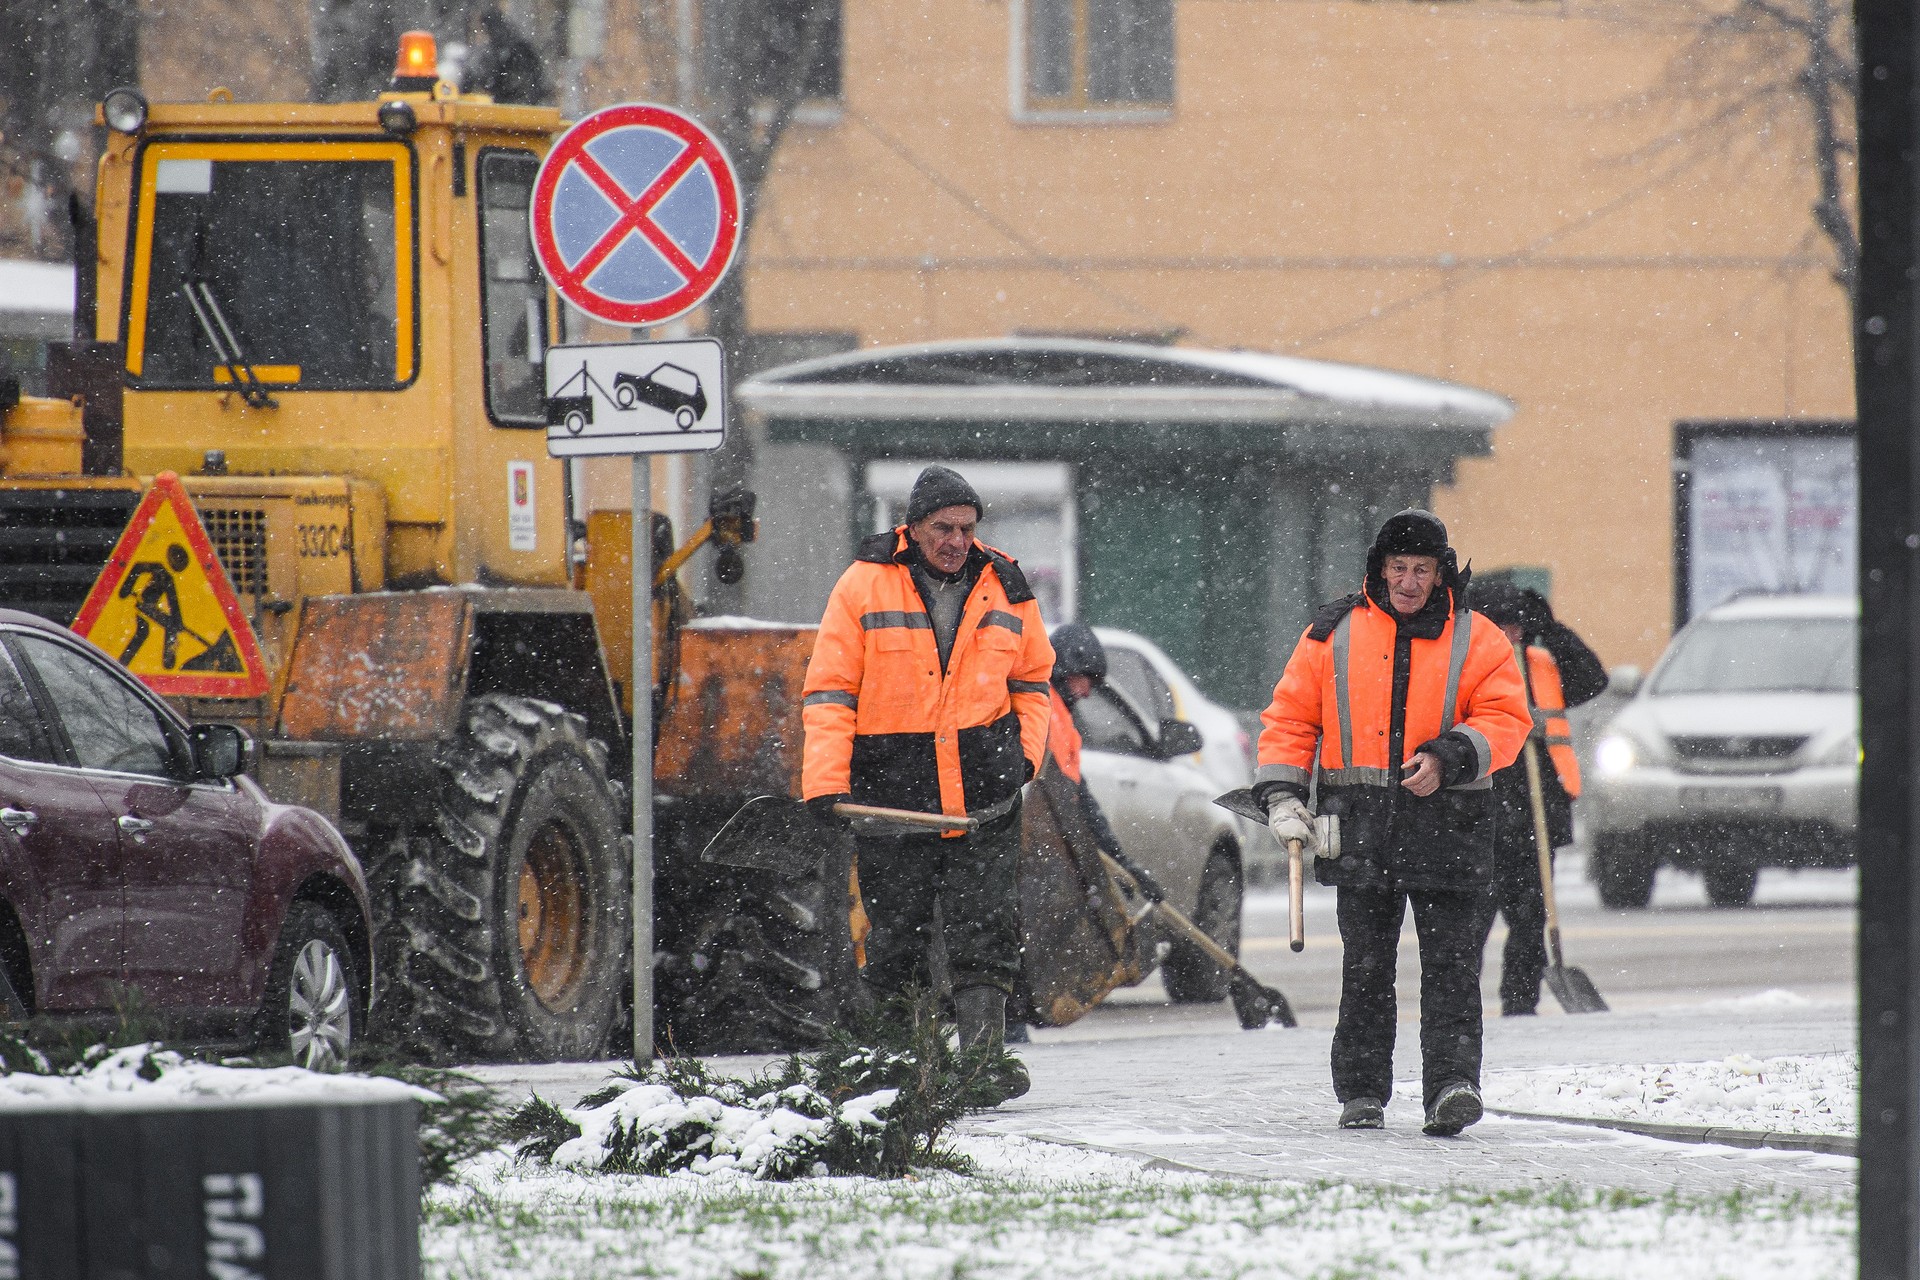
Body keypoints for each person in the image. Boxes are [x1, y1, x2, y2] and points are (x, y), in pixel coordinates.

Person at [1252, 509, 1531, 1136]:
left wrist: (1449, 757)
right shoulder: (1331, 633)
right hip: (1361, 830)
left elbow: (1507, 719)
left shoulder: (1478, 637)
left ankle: (1452, 1087)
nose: (1408, 582)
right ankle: (1361, 1093)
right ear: (1380, 569)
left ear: (1441, 574)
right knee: (1366, 969)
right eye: (1398, 568)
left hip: (1450, 826)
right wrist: (1282, 794)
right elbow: (1292, 718)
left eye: (1421, 570)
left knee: (1452, 967)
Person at [801, 465, 1054, 1100]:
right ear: (912, 527)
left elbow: (1032, 683)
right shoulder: (862, 585)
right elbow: (830, 692)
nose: (957, 541)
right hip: (895, 796)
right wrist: (826, 783)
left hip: (984, 796)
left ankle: (982, 1065)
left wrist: (1024, 760)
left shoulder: (1008, 586)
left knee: (986, 932)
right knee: (896, 937)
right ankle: (899, 1066)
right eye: (944, 528)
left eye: (967, 528)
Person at [1466, 580, 1608, 1015]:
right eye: (1500, 626)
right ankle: (1456, 1008)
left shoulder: (1540, 665)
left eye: (1517, 626)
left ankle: (1520, 1006)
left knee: (1529, 923)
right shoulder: (1460, 671)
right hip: (1477, 820)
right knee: (1468, 927)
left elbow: (1592, 679)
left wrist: (1553, 630)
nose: (1511, 636)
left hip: (1535, 817)